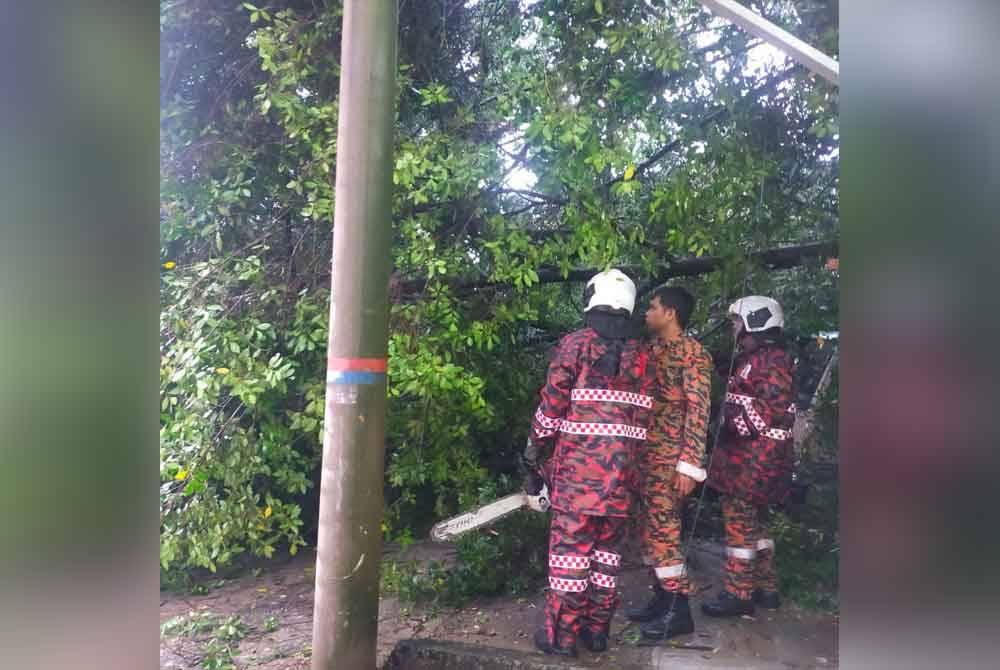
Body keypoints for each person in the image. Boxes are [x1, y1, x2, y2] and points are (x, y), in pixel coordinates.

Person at [522, 269, 654, 657]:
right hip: (623, 480)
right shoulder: (643, 356)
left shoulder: (575, 345)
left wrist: (534, 452)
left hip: (578, 478)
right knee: (606, 559)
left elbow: (551, 410)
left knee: (571, 557)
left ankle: (561, 637)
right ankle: (596, 633)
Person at [624, 286, 713, 640]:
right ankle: (662, 600)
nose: (647, 312)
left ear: (670, 313)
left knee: (665, 533)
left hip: (670, 460)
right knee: (649, 531)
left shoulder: (692, 353)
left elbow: (698, 409)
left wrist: (689, 464)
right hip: (645, 457)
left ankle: (679, 612)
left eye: (653, 307)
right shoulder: (651, 350)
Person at [701, 296, 796, 617]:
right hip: (754, 460)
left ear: (755, 322)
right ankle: (766, 588)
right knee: (757, 525)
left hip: (755, 462)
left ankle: (738, 594)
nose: (733, 327)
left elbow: (769, 409)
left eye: (736, 321)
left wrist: (726, 420)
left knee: (740, 523)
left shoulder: (773, 361)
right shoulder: (755, 358)